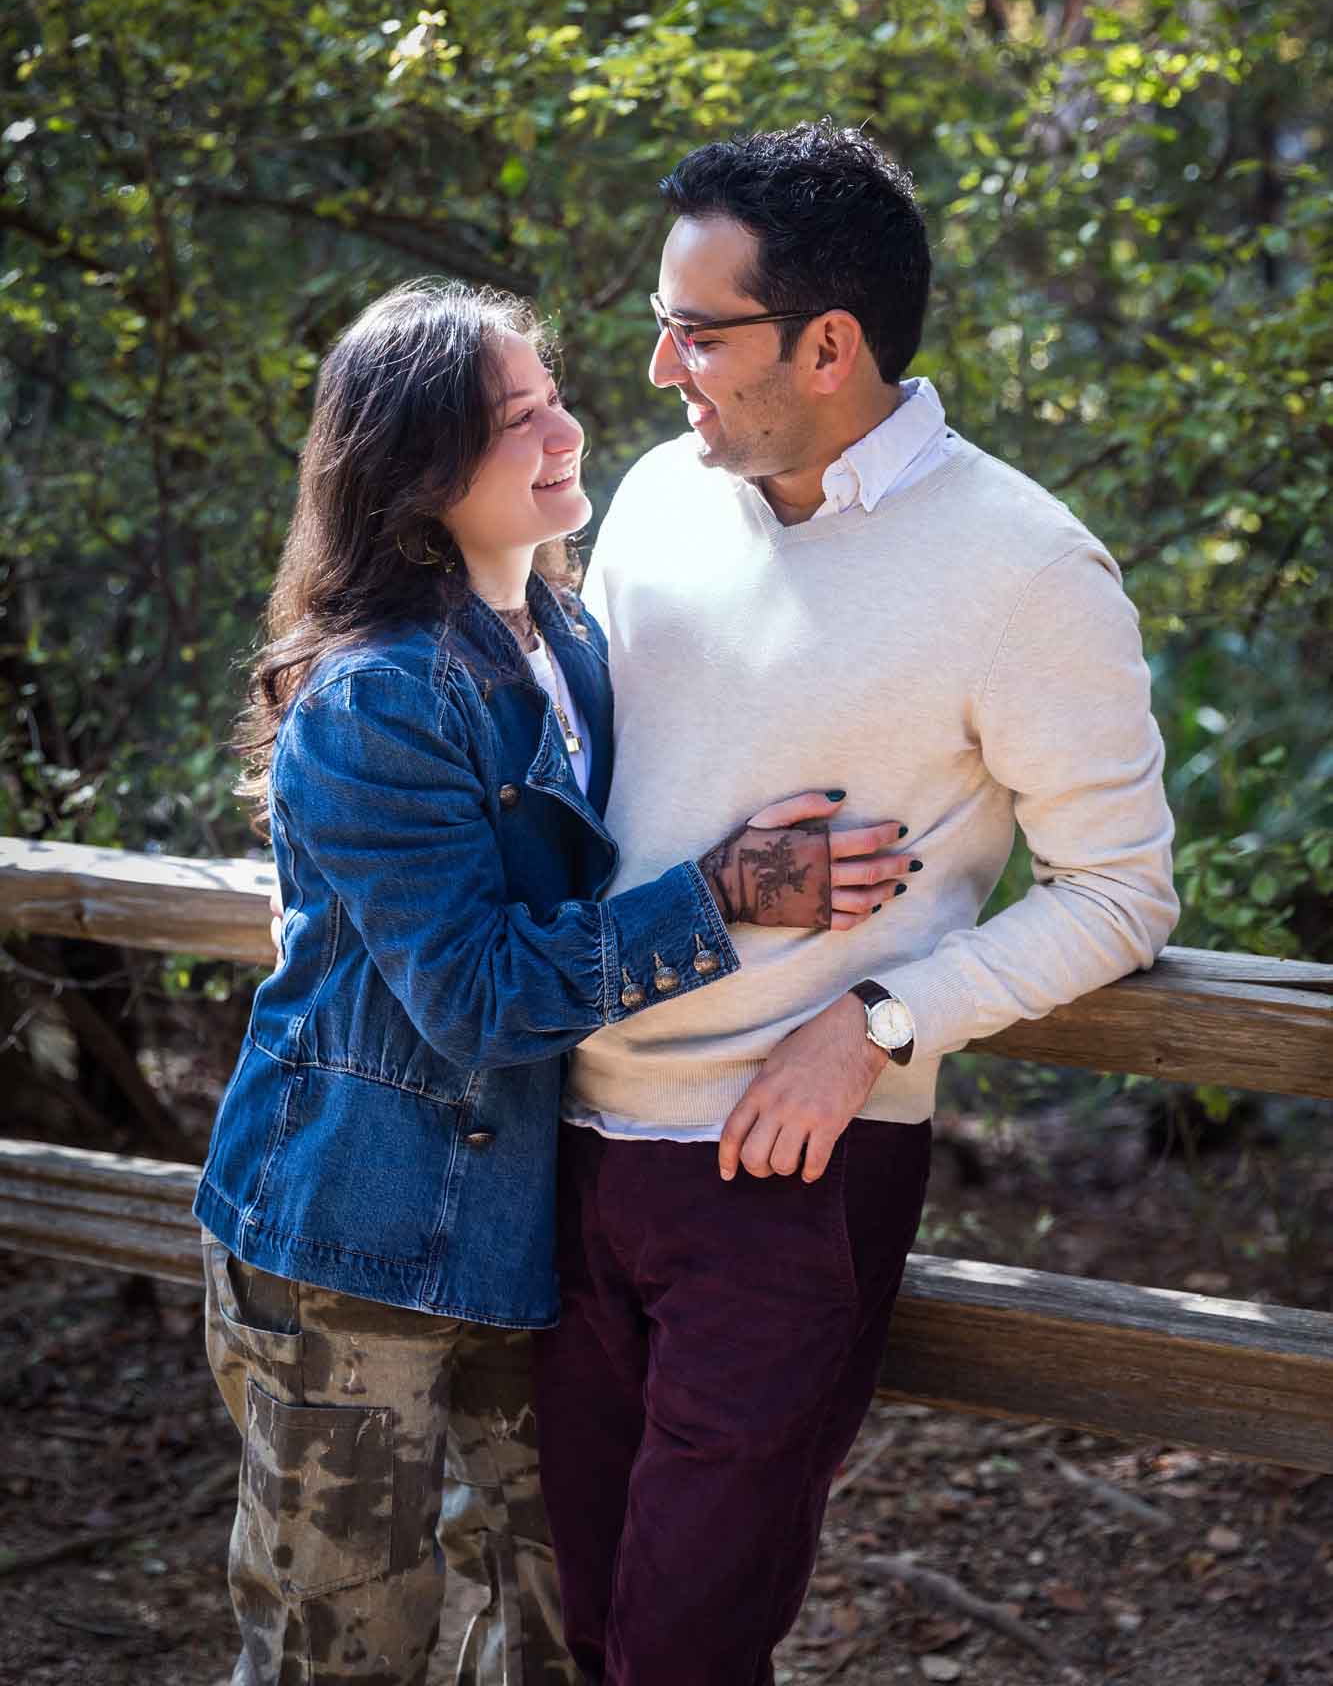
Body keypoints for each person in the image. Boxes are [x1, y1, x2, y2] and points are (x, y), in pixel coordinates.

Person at [532, 120, 1180, 1685]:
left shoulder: (1025, 566)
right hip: (558, 1156)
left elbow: (1120, 891)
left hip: (783, 1179)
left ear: (828, 345)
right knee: (594, 1622)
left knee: (682, 1652)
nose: (662, 368)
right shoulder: (653, 500)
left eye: (699, 332)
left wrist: (879, 1023)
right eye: (660, 325)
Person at [194, 279, 913, 1686]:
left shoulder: (570, 640)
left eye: (552, 396)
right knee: (342, 1655)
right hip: (348, 1238)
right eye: (515, 419)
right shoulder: (377, 696)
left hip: (528, 1230)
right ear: (416, 473)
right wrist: (716, 900)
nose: (565, 430)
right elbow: (468, 996)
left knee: (551, 1627)